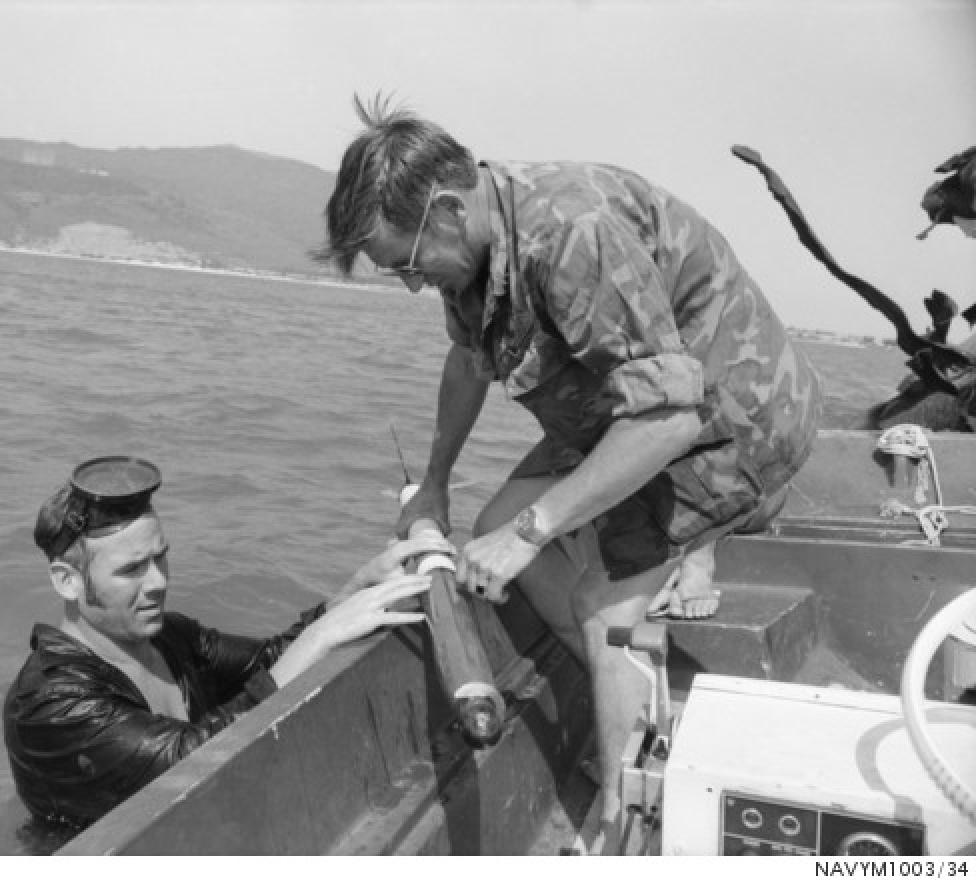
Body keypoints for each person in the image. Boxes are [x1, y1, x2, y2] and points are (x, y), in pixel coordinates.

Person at [315, 96, 823, 845]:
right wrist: (436, 482)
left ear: (449, 210)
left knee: (601, 605)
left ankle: (632, 820)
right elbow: (468, 362)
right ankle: (637, 706)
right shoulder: (477, 250)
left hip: (731, 419)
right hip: (625, 411)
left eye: (408, 265)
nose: (414, 285)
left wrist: (536, 526)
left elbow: (671, 415)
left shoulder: (573, 232)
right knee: (492, 527)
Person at [3, 455, 448, 830]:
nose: (158, 582)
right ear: (67, 582)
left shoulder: (167, 635)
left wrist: (351, 593)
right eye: (132, 569)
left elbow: (270, 661)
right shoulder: (51, 703)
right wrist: (320, 636)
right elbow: (187, 766)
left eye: (161, 557)